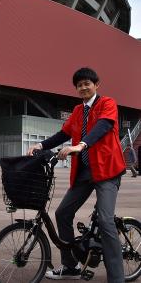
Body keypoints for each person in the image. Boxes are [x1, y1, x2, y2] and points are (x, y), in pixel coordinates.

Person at [28, 67, 126, 282]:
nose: (83, 87)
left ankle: (116, 278)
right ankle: (70, 266)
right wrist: (41, 144)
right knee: (62, 213)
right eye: (79, 85)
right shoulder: (77, 111)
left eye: (87, 83)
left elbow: (103, 126)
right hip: (84, 172)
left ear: (96, 84)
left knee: (106, 220)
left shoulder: (107, 104)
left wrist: (81, 145)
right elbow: (63, 133)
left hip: (107, 170)